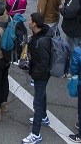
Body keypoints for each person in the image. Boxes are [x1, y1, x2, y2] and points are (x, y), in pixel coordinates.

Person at [22, 12, 53, 144]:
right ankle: (44, 117)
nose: (28, 22)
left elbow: (43, 63)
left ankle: (36, 134)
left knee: (37, 103)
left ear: (34, 24)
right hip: (43, 74)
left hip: (40, 74)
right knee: (42, 95)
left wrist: (34, 74)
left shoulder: (40, 42)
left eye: (30, 20)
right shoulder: (44, 35)